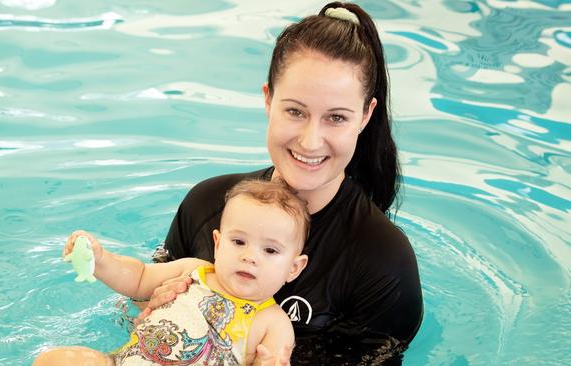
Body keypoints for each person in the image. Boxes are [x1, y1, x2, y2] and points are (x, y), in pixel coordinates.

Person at [145, 2, 423, 365]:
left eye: (336, 118)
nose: (310, 141)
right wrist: (148, 304)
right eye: (295, 111)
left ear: (366, 115)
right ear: (267, 99)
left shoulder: (383, 263)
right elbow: (136, 302)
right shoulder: (207, 205)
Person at [34, 179, 311, 366]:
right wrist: (101, 259)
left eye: (270, 251)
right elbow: (139, 278)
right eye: (238, 242)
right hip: (122, 361)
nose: (249, 256)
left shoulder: (274, 323)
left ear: (293, 268)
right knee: (56, 359)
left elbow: (275, 359)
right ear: (217, 243)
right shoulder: (193, 270)